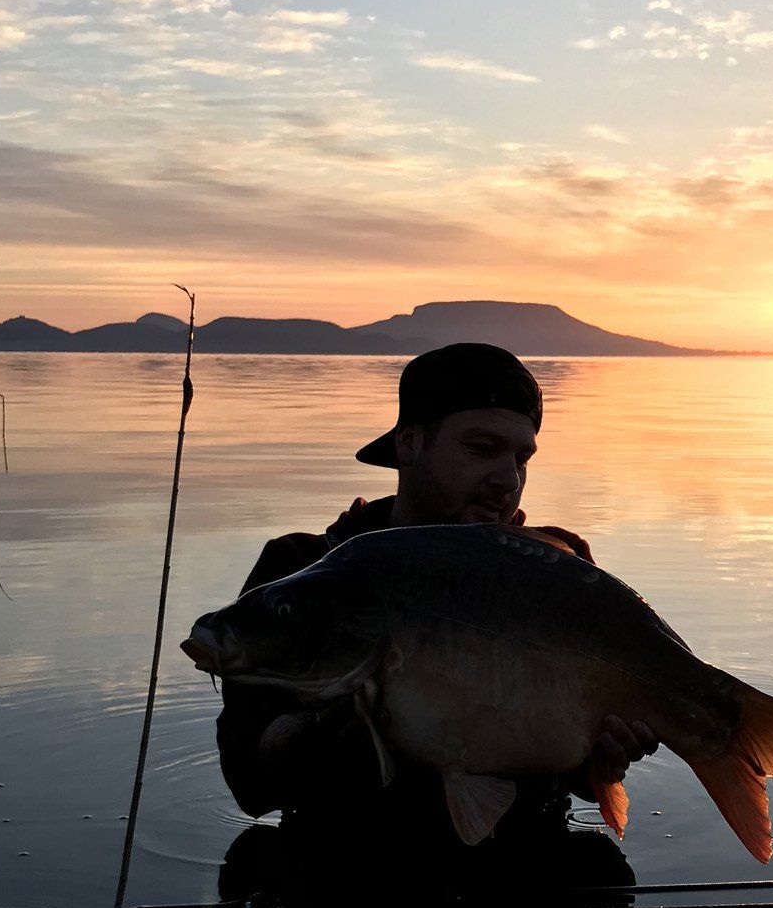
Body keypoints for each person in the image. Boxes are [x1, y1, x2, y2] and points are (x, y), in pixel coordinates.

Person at [213, 342, 658, 841]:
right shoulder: (298, 571)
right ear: (409, 444)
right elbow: (248, 779)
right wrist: (317, 731)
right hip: (344, 866)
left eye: (522, 458)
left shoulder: (558, 574)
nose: (507, 480)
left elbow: (578, 779)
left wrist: (607, 755)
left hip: (526, 865)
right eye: (482, 448)